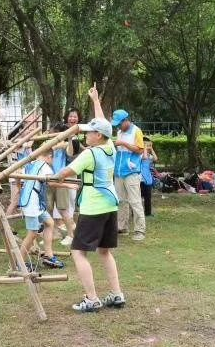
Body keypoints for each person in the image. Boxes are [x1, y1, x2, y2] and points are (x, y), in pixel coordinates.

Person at [55, 85, 124, 312]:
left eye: (89, 132)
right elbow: (103, 122)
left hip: (93, 208)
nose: (86, 134)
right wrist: (96, 100)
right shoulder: (110, 147)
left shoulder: (89, 154)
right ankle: (116, 295)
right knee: (104, 251)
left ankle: (92, 298)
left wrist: (50, 178)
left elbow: (65, 173)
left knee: (78, 252)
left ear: (98, 136)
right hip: (110, 206)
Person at [18, 150, 64, 270]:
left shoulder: (31, 163)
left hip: (32, 202)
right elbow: (52, 183)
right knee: (32, 234)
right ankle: (20, 263)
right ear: (49, 157)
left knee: (49, 223)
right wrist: (69, 185)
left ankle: (48, 256)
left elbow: (20, 181)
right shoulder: (44, 166)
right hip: (31, 204)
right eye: (53, 159)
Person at [110, 108, 146, 241]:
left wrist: (124, 143)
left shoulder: (136, 131)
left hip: (131, 172)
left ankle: (140, 230)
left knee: (135, 201)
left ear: (126, 120)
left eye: (120, 123)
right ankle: (122, 227)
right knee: (120, 201)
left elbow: (140, 150)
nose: (118, 126)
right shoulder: (119, 132)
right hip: (119, 172)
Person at [48, 123, 76, 247]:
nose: (50, 134)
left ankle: (71, 235)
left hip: (61, 180)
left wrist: (69, 139)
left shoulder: (65, 145)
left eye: (53, 132)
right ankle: (54, 233)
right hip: (50, 179)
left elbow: (70, 153)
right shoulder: (51, 146)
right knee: (48, 209)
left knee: (63, 209)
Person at [140, 137, 157, 216]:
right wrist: (145, 148)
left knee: (148, 197)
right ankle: (137, 214)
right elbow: (144, 157)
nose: (147, 145)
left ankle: (148, 213)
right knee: (137, 198)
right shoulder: (139, 154)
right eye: (146, 144)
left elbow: (155, 158)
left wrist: (151, 148)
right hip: (139, 179)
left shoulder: (149, 155)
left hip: (147, 179)